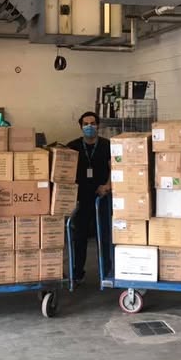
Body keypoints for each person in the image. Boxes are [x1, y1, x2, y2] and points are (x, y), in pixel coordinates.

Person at [68, 111, 112, 282]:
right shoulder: (73, 146)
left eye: (92, 123)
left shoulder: (107, 145)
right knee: (80, 236)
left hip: (101, 197)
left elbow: (114, 167)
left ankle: (106, 270)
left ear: (98, 125)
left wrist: (107, 186)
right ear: (81, 126)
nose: (89, 127)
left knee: (104, 235)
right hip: (81, 197)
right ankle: (78, 272)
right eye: (86, 124)